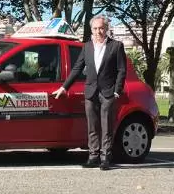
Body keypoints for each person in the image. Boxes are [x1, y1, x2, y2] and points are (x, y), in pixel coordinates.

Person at [52, 15, 126, 170]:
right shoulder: (86, 47)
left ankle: (106, 158)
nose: (98, 31)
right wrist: (64, 87)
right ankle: (93, 156)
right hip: (91, 92)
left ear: (106, 29)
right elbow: (77, 68)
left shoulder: (116, 46)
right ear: (91, 30)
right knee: (92, 126)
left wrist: (117, 91)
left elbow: (121, 70)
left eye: (101, 28)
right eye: (95, 28)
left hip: (108, 92)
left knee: (106, 126)